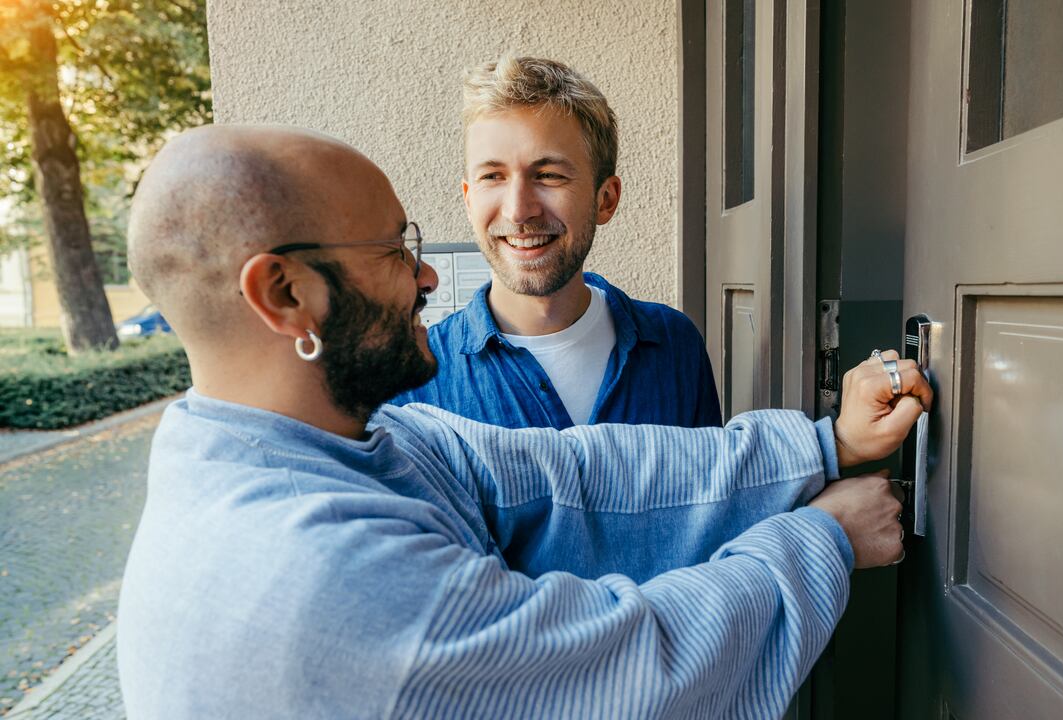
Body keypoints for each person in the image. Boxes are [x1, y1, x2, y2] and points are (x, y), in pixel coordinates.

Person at [117, 124, 932, 719]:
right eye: (395, 248)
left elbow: (577, 476)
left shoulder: (360, 442)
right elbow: (633, 669)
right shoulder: (320, 575)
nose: (430, 272)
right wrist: (822, 538)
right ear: (286, 294)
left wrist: (827, 442)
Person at [390, 56, 721, 429]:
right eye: (493, 176)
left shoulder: (676, 347)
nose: (518, 211)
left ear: (605, 199)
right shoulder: (412, 380)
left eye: (548, 175)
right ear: (469, 200)